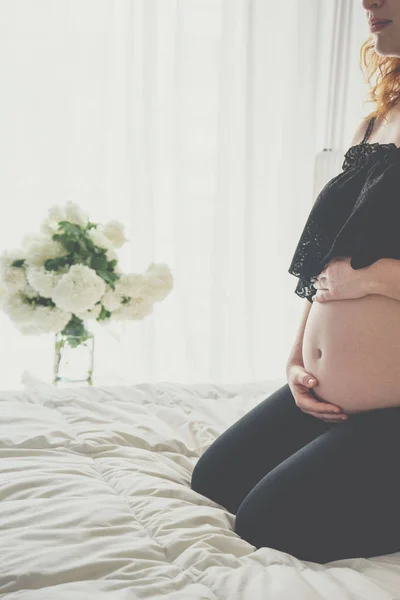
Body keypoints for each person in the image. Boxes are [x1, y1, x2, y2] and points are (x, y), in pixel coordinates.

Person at [190, 0, 400, 564]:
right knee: (216, 481)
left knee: (272, 522)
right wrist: (297, 361)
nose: (368, 2)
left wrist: (377, 280)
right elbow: (330, 267)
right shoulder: (380, 116)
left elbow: (356, 278)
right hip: (334, 395)